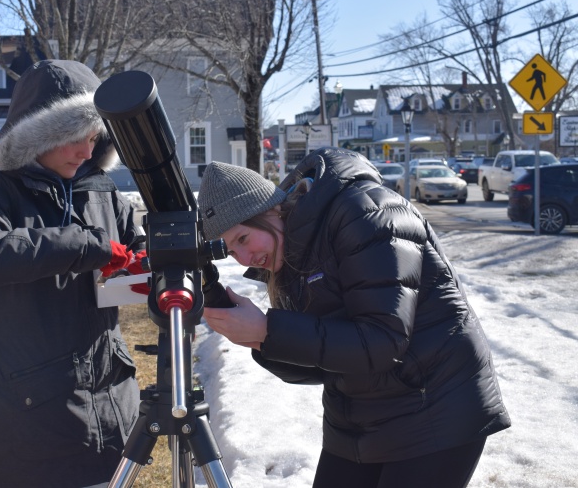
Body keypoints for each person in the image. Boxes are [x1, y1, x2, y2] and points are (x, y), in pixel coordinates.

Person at [198, 148, 511, 488]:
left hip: (435, 406)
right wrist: (262, 339)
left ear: (272, 209)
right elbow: (324, 360)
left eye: (243, 238)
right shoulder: (292, 248)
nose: (245, 259)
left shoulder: (365, 213)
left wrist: (268, 328)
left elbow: (383, 340)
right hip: (361, 412)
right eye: (232, 250)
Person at [0, 60, 146, 487]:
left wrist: (145, 262)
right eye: (75, 138)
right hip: (29, 418)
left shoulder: (101, 189)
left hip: (111, 406)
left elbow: (136, 242)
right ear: (38, 133)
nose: (87, 152)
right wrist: (86, 245)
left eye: (94, 137)